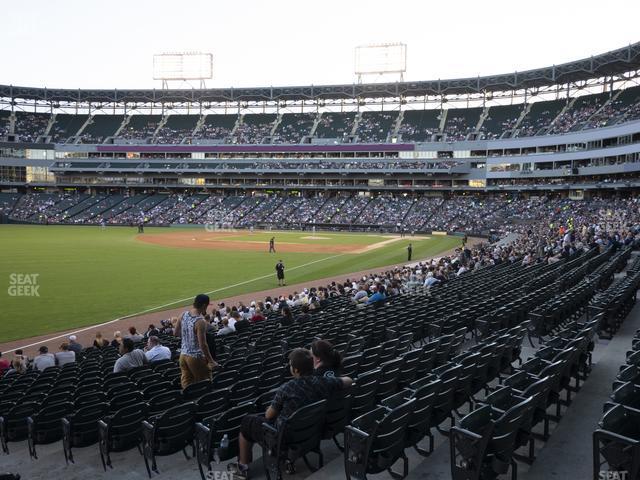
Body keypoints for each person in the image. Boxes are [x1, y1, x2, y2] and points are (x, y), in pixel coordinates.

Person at [228, 348, 352, 479]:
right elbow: (348, 380)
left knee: (247, 422)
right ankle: (289, 460)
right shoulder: (323, 381)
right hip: (311, 432)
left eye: (291, 365)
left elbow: (268, 416)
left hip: (283, 439)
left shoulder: (287, 388)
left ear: (296, 370)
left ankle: (242, 466)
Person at [175, 294, 218, 389]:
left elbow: (176, 333)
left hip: (183, 356)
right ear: (203, 306)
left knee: (187, 384)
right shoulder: (200, 321)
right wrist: (211, 361)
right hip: (196, 357)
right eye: (206, 305)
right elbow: (203, 344)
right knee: (205, 382)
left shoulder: (183, 314)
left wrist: (188, 336)